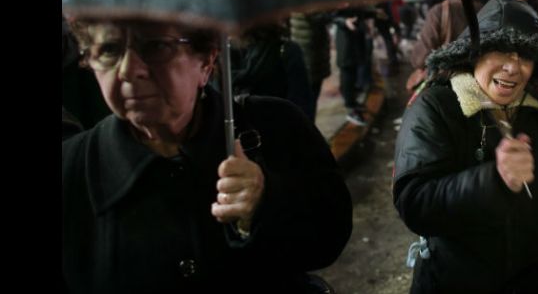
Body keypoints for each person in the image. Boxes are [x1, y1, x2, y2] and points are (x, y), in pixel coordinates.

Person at [62, 18, 353, 292]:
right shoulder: (71, 167)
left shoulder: (277, 125)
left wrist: (266, 203)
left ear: (206, 60)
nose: (128, 70)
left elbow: (330, 240)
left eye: (155, 46)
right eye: (109, 50)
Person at [393, 0, 538, 294]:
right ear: (474, 53)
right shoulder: (435, 107)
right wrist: (492, 181)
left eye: (524, 56)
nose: (512, 67)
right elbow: (415, 204)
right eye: (500, 51)